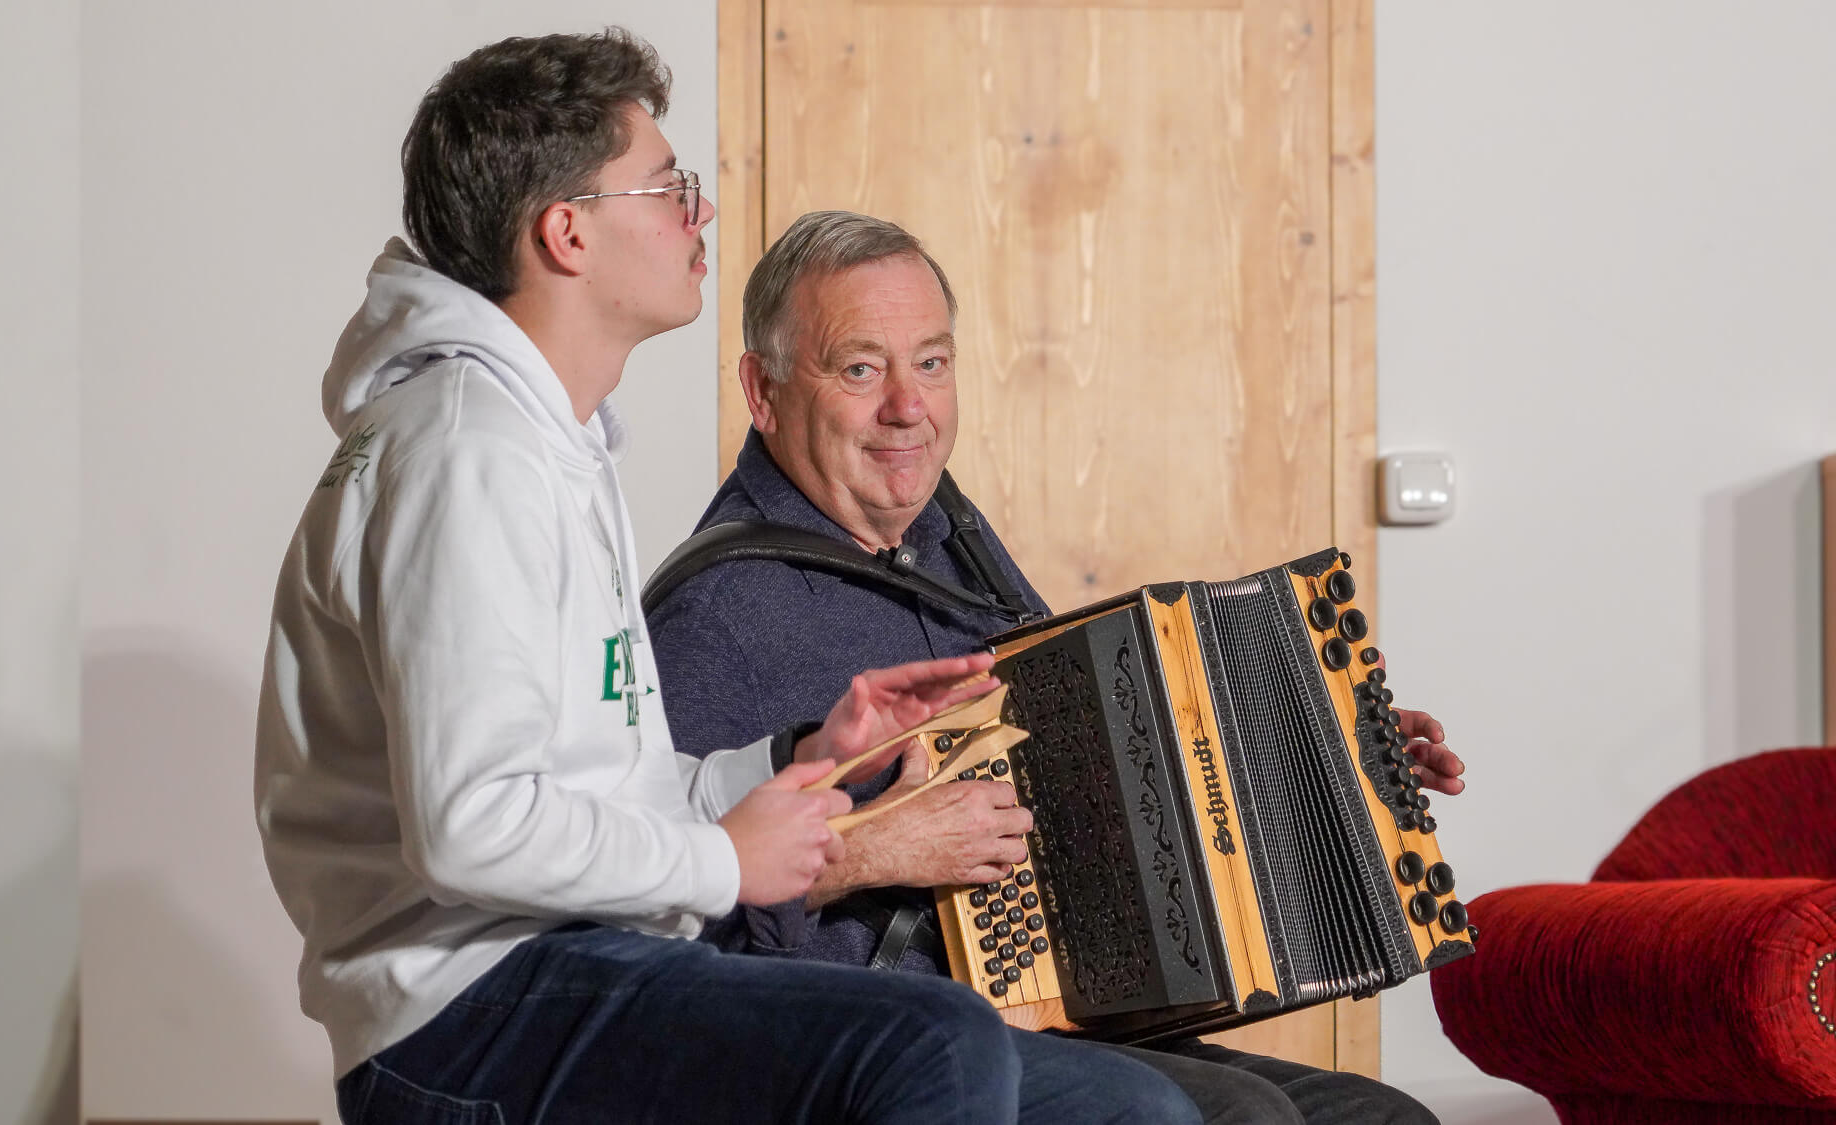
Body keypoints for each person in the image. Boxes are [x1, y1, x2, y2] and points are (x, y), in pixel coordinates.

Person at [253, 31, 1204, 1125]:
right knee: (935, 1045)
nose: (698, 213)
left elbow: (591, 792)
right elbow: (471, 826)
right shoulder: (474, 452)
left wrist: (795, 762)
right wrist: (719, 860)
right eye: (667, 188)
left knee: (1131, 1111)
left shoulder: (540, 439)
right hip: (468, 1010)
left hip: (564, 967)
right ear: (567, 232)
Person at [646, 209, 1468, 1125]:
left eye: (932, 362)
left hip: (1066, 1020)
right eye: (860, 369)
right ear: (763, 392)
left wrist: (1329, 753)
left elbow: (1095, 772)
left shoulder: (949, 538)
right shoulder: (713, 614)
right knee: (1242, 1118)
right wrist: (873, 848)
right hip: (886, 1048)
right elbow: (659, 932)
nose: (909, 408)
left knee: (1384, 1118)